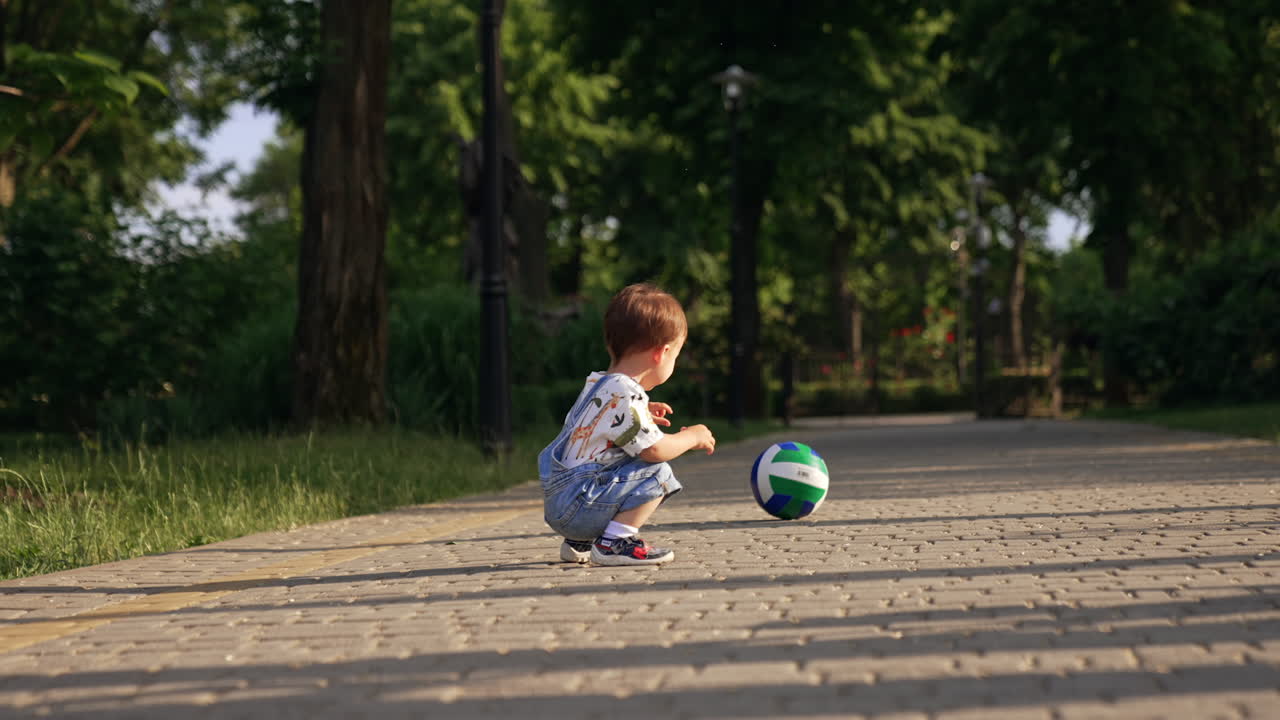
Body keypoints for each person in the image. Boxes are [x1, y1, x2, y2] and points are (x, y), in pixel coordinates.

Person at [538, 283, 717, 566]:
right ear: (662, 352)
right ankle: (613, 542)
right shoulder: (625, 393)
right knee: (657, 473)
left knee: (619, 464)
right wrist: (693, 437)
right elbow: (655, 450)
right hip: (581, 507)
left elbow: (598, 430)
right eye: (676, 355)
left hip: (562, 503)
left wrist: (643, 411)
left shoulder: (600, 384)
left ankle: (579, 543)